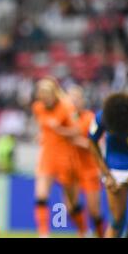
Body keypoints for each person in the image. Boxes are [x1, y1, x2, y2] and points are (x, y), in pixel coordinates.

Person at [31, 78, 88, 237]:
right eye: (41, 95)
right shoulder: (37, 107)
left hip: (65, 157)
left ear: (54, 94)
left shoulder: (66, 107)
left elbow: (76, 131)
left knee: (72, 204)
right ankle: (43, 234)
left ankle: (83, 231)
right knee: (41, 196)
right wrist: (42, 135)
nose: (44, 99)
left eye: (46, 95)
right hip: (47, 156)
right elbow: (43, 127)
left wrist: (59, 130)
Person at [88, 92, 128, 238]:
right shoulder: (102, 117)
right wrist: (106, 174)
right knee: (117, 222)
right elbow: (92, 141)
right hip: (115, 171)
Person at [67, 85, 105, 237]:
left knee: (94, 211)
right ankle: (83, 232)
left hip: (89, 168)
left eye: (76, 98)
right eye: (70, 99)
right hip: (70, 169)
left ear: (82, 100)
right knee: (70, 208)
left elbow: (95, 144)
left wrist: (75, 140)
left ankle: (101, 234)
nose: (73, 102)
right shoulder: (65, 118)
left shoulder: (89, 118)